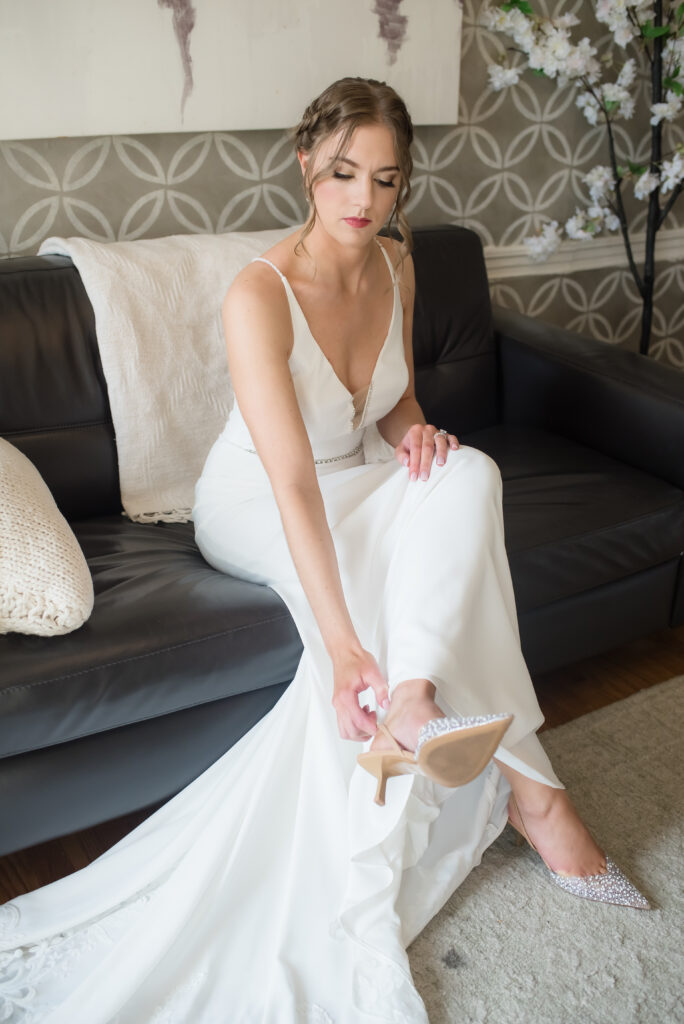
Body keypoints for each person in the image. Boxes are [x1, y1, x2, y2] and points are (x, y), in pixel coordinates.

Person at [0, 77, 648, 1024]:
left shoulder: (399, 263)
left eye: (385, 181)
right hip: (258, 496)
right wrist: (345, 647)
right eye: (344, 172)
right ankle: (538, 798)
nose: (362, 199)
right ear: (305, 161)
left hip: (356, 471)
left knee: (470, 476)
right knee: (382, 584)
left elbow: (395, 400)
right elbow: (293, 480)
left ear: (400, 189)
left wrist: (418, 435)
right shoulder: (257, 294)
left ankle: (416, 702)